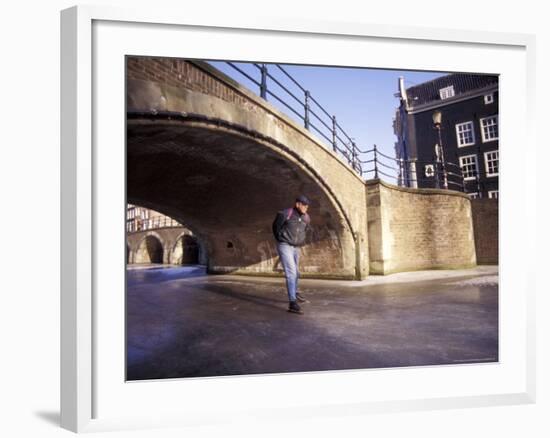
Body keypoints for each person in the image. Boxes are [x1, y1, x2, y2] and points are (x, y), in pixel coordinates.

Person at [272, 195, 311, 314]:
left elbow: (305, 229)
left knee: (297, 273)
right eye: (304, 205)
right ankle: (292, 303)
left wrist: (300, 241)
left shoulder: (306, 218)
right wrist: (281, 239)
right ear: (297, 204)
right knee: (291, 272)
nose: (306, 207)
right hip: (285, 245)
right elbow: (275, 227)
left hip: (296, 247)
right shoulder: (285, 213)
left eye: (307, 206)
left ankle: (295, 291)